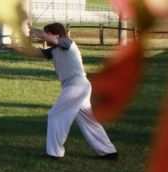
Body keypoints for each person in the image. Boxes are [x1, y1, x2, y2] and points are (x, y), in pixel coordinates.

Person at [31, 23, 118, 160]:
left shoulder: (67, 42)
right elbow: (34, 52)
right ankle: (109, 152)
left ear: (56, 34)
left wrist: (30, 29)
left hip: (76, 86)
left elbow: (52, 40)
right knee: (89, 121)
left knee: (55, 115)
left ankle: (54, 153)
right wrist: (14, 46)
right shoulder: (54, 50)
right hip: (77, 86)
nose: (45, 38)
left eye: (47, 33)